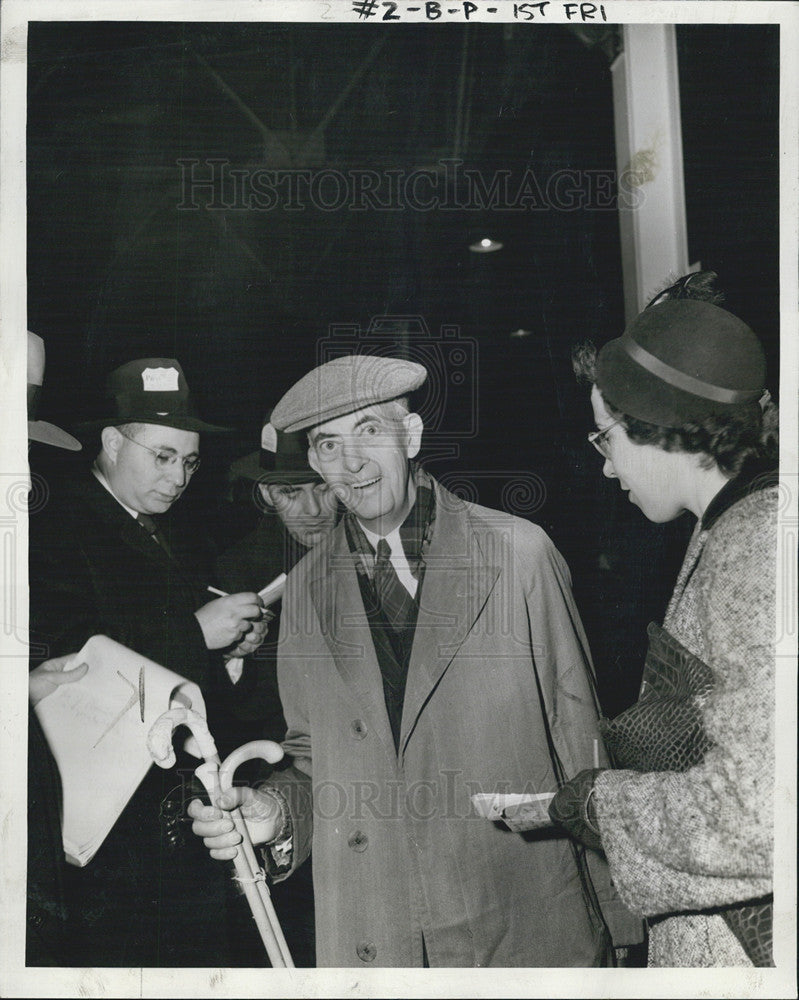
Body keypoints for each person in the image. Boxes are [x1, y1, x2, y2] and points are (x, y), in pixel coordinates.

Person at [191, 353, 641, 967]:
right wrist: (274, 811)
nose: (350, 463)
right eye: (327, 444)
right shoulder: (301, 593)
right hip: (381, 932)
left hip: (519, 923)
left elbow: (579, 742)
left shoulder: (516, 555)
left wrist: (617, 922)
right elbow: (311, 758)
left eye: (370, 431)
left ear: (412, 436)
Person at [548, 272, 778, 967]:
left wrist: (602, 807)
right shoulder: (734, 527)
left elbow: (762, 813)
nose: (605, 466)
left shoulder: (754, 550)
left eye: (604, 437)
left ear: (656, 426)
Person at [28, 357, 270, 966]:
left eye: (189, 462)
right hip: (104, 818)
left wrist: (234, 652)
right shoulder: (51, 526)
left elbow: (201, 666)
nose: (179, 477)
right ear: (111, 442)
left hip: (181, 808)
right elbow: (61, 655)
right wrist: (194, 633)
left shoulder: (185, 536)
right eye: (162, 456)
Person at [214, 416, 339, 967]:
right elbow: (219, 717)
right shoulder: (232, 573)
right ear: (267, 494)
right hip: (283, 799)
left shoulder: (379, 555)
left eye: (322, 488)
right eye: (292, 492)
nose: (313, 510)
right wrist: (231, 661)